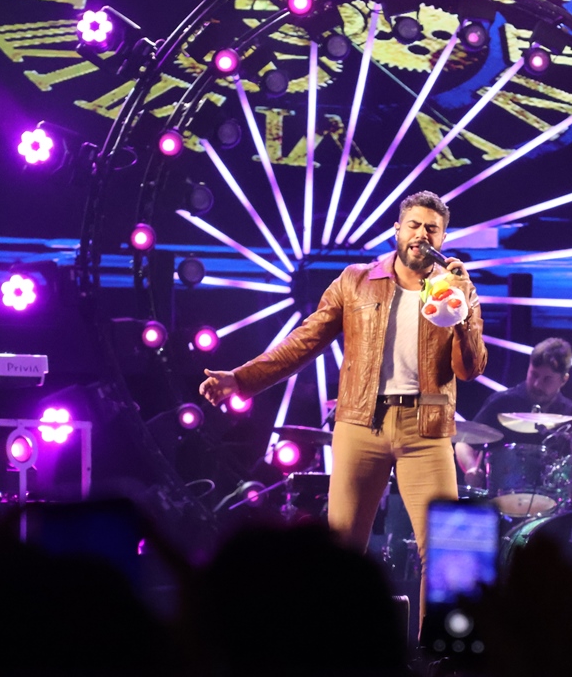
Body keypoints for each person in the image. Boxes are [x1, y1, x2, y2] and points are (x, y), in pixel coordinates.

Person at [199, 191, 487, 621]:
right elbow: (305, 340)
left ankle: (439, 654)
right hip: (360, 423)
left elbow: (470, 369)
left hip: (426, 427)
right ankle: (335, 649)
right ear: (397, 230)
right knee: (339, 553)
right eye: (414, 225)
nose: (421, 235)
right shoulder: (356, 281)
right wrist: (241, 379)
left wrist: (462, 310)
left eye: (432, 229)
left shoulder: (457, 289)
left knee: (450, 552)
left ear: (442, 238)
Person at [455, 337, 572, 485]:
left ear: (564, 380)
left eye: (547, 379)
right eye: (534, 374)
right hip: (502, 493)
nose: (537, 384)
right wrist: (471, 468)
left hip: (554, 496)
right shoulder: (502, 403)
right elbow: (464, 443)